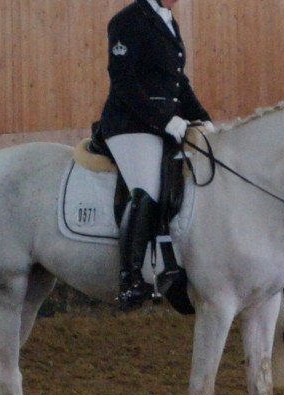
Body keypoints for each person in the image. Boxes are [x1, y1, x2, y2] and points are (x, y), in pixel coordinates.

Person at [98, 0, 213, 311]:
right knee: (147, 187)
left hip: (163, 125)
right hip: (130, 124)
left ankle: (172, 265)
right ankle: (131, 278)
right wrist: (163, 118)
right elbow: (124, 82)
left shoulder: (167, 19)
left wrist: (202, 116)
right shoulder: (128, 20)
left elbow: (177, 81)